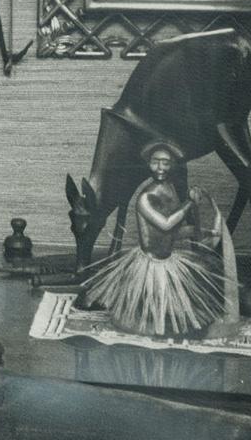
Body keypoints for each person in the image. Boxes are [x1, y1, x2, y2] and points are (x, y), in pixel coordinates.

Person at [83, 139, 224, 337]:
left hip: (168, 261)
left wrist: (206, 232)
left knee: (180, 312)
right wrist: (188, 204)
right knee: (147, 314)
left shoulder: (170, 189)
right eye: (156, 162)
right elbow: (166, 224)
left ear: (173, 165)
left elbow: (170, 234)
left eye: (166, 162)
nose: (160, 167)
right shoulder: (145, 197)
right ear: (148, 164)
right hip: (149, 265)